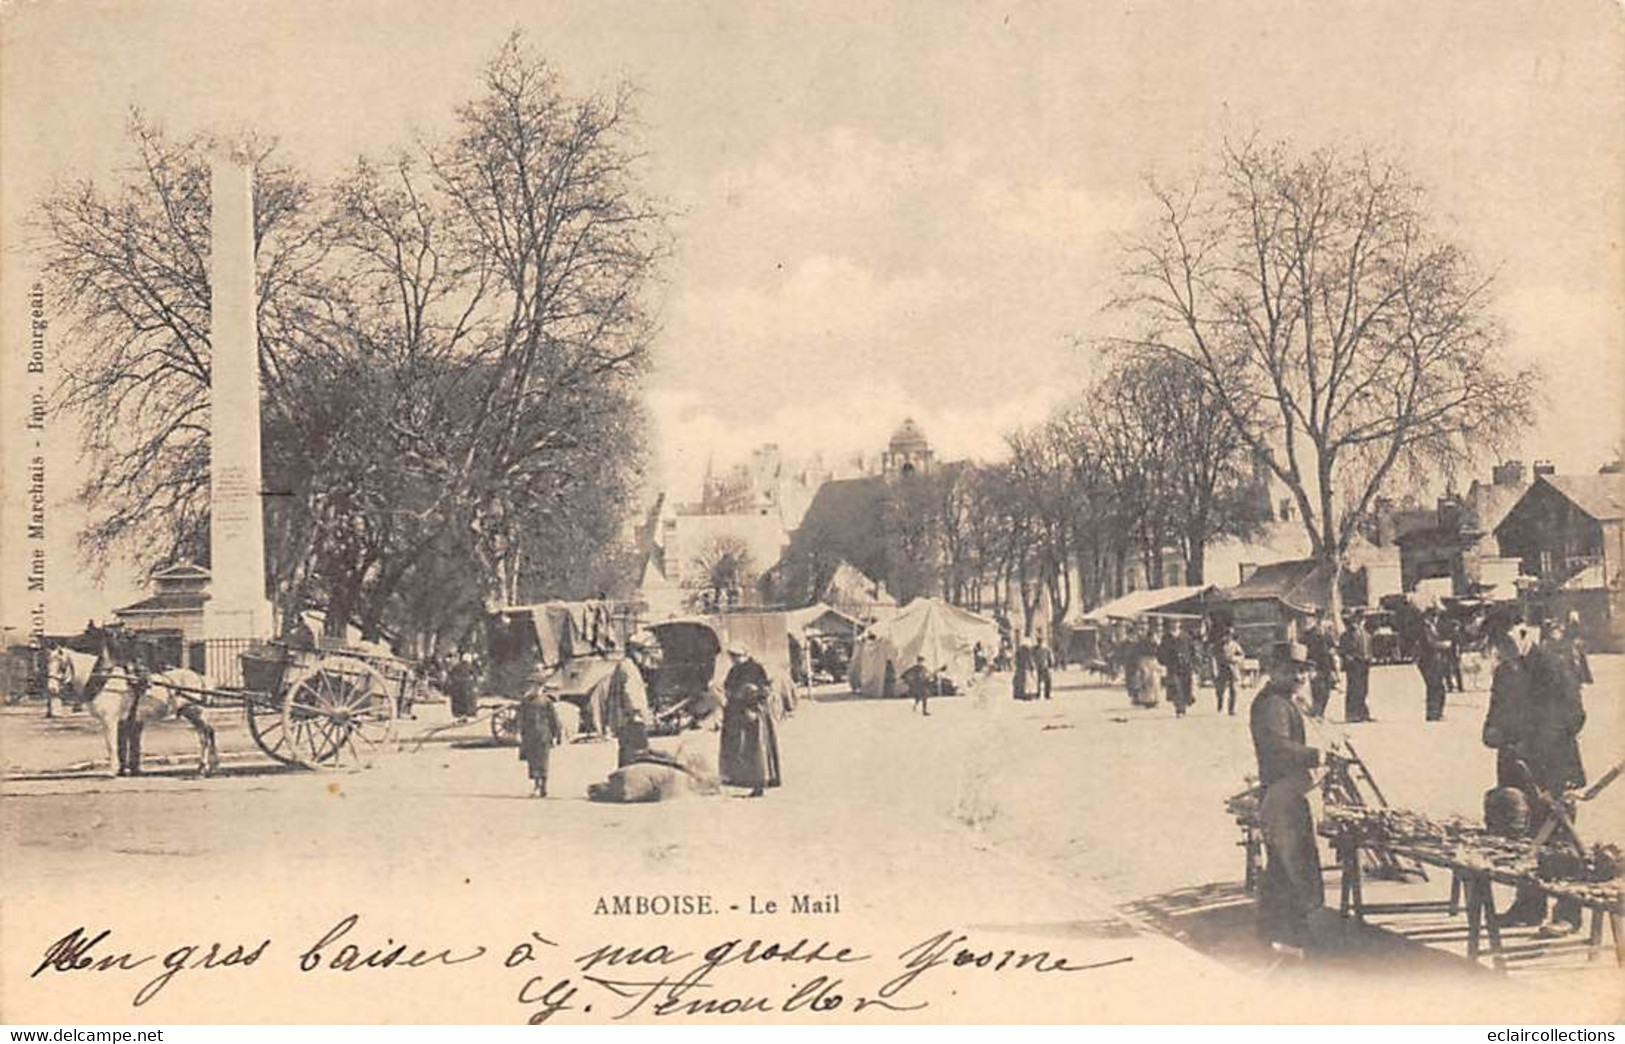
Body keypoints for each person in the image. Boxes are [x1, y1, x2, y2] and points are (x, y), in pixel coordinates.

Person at [1482, 615, 1587, 935]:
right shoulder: (1504, 671)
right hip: (1516, 767)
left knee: (1558, 838)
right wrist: (1491, 731)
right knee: (1523, 839)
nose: (1502, 649)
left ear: (1523, 632)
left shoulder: (1554, 665)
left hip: (1552, 767)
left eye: (1506, 640)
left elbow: (1574, 716)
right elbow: (1495, 712)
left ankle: (1568, 912)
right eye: (1497, 644)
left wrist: (1532, 743)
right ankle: (1528, 906)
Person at [1249, 640, 1327, 950]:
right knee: (1290, 862)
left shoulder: (1286, 700)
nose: (1298, 677)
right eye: (1290, 671)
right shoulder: (1272, 705)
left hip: (1292, 791)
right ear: (1273, 671)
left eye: (1302, 672)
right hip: (1282, 792)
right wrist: (1314, 755)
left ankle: (1277, 930)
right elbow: (1277, 747)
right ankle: (1291, 932)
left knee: (1284, 865)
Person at [719, 645, 781, 797]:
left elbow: (766, 689)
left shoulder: (757, 669)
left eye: (737, 655)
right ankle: (740, 781)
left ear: (746, 654)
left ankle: (760, 783)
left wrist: (752, 694)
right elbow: (727, 688)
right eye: (732, 656)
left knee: (756, 750)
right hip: (737, 715)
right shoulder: (733, 671)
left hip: (755, 715)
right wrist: (733, 696)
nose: (735, 659)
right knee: (739, 749)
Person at [518, 673, 565, 798]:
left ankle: (543, 786)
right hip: (530, 735)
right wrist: (520, 733)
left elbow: (554, 719)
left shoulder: (546, 702)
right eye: (532, 685)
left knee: (543, 761)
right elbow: (521, 718)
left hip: (544, 735)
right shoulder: (526, 701)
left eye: (537, 686)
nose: (534, 688)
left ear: (542, 687)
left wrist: (557, 735)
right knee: (532, 761)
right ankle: (536, 785)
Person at [1339, 613, 1374, 723]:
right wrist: (1348, 658)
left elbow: (1369, 647)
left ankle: (1363, 713)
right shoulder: (1347, 634)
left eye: (1362, 619)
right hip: (1354, 664)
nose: (1359, 622)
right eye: (1357, 619)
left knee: (1363, 689)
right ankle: (1351, 714)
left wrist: (1370, 657)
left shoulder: (1366, 634)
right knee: (1353, 688)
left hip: (1364, 663)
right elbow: (1343, 649)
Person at [1418, 608, 1450, 721]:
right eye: (1434, 616)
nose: (1435, 618)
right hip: (1428, 660)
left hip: (1435, 659)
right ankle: (1433, 713)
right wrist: (1444, 645)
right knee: (1434, 686)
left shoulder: (1432, 627)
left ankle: (1437, 712)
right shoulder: (1425, 628)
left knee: (1438, 686)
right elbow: (1430, 643)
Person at [1303, 616, 1337, 719]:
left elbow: (1332, 649)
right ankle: (1317, 712)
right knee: (1317, 689)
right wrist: (1309, 667)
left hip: (1327, 666)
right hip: (1315, 665)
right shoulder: (1308, 635)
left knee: (1326, 690)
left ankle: (1321, 711)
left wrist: (1334, 669)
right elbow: (1305, 651)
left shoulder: (1327, 635)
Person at [1159, 624, 1193, 717]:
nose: (1174, 625)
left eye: (1176, 623)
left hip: (1185, 666)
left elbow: (1192, 650)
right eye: (1173, 623)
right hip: (1172, 666)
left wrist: (1192, 661)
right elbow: (1161, 650)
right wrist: (1163, 661)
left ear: (1179, 625)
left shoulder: (1186, 636)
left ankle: (1183, 706)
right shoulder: (1166, 637)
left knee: (1185, 686)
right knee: (1176, 686)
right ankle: (1179, 708)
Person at [1214, 630, 1244, 715]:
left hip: (1233, 668)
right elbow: (1214, 656)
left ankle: (1231, 709)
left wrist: (1235, 659)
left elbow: (1241, 655)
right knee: (1220, 689)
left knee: (1233, 689)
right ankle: (1220, 702)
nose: (1227, 637)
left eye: (1229, 635)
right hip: (1222, 669)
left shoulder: (1235, 645)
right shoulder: (1219, 645)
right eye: (1226, 635)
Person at [446, 652, 478, 720]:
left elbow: (450, 675)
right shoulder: (471, 667)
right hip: (467, 687)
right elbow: (475, 677)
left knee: (458, 701)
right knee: (469, 700)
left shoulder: (456, 666)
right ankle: (469, 714)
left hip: (456, 687)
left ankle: (458, 715)